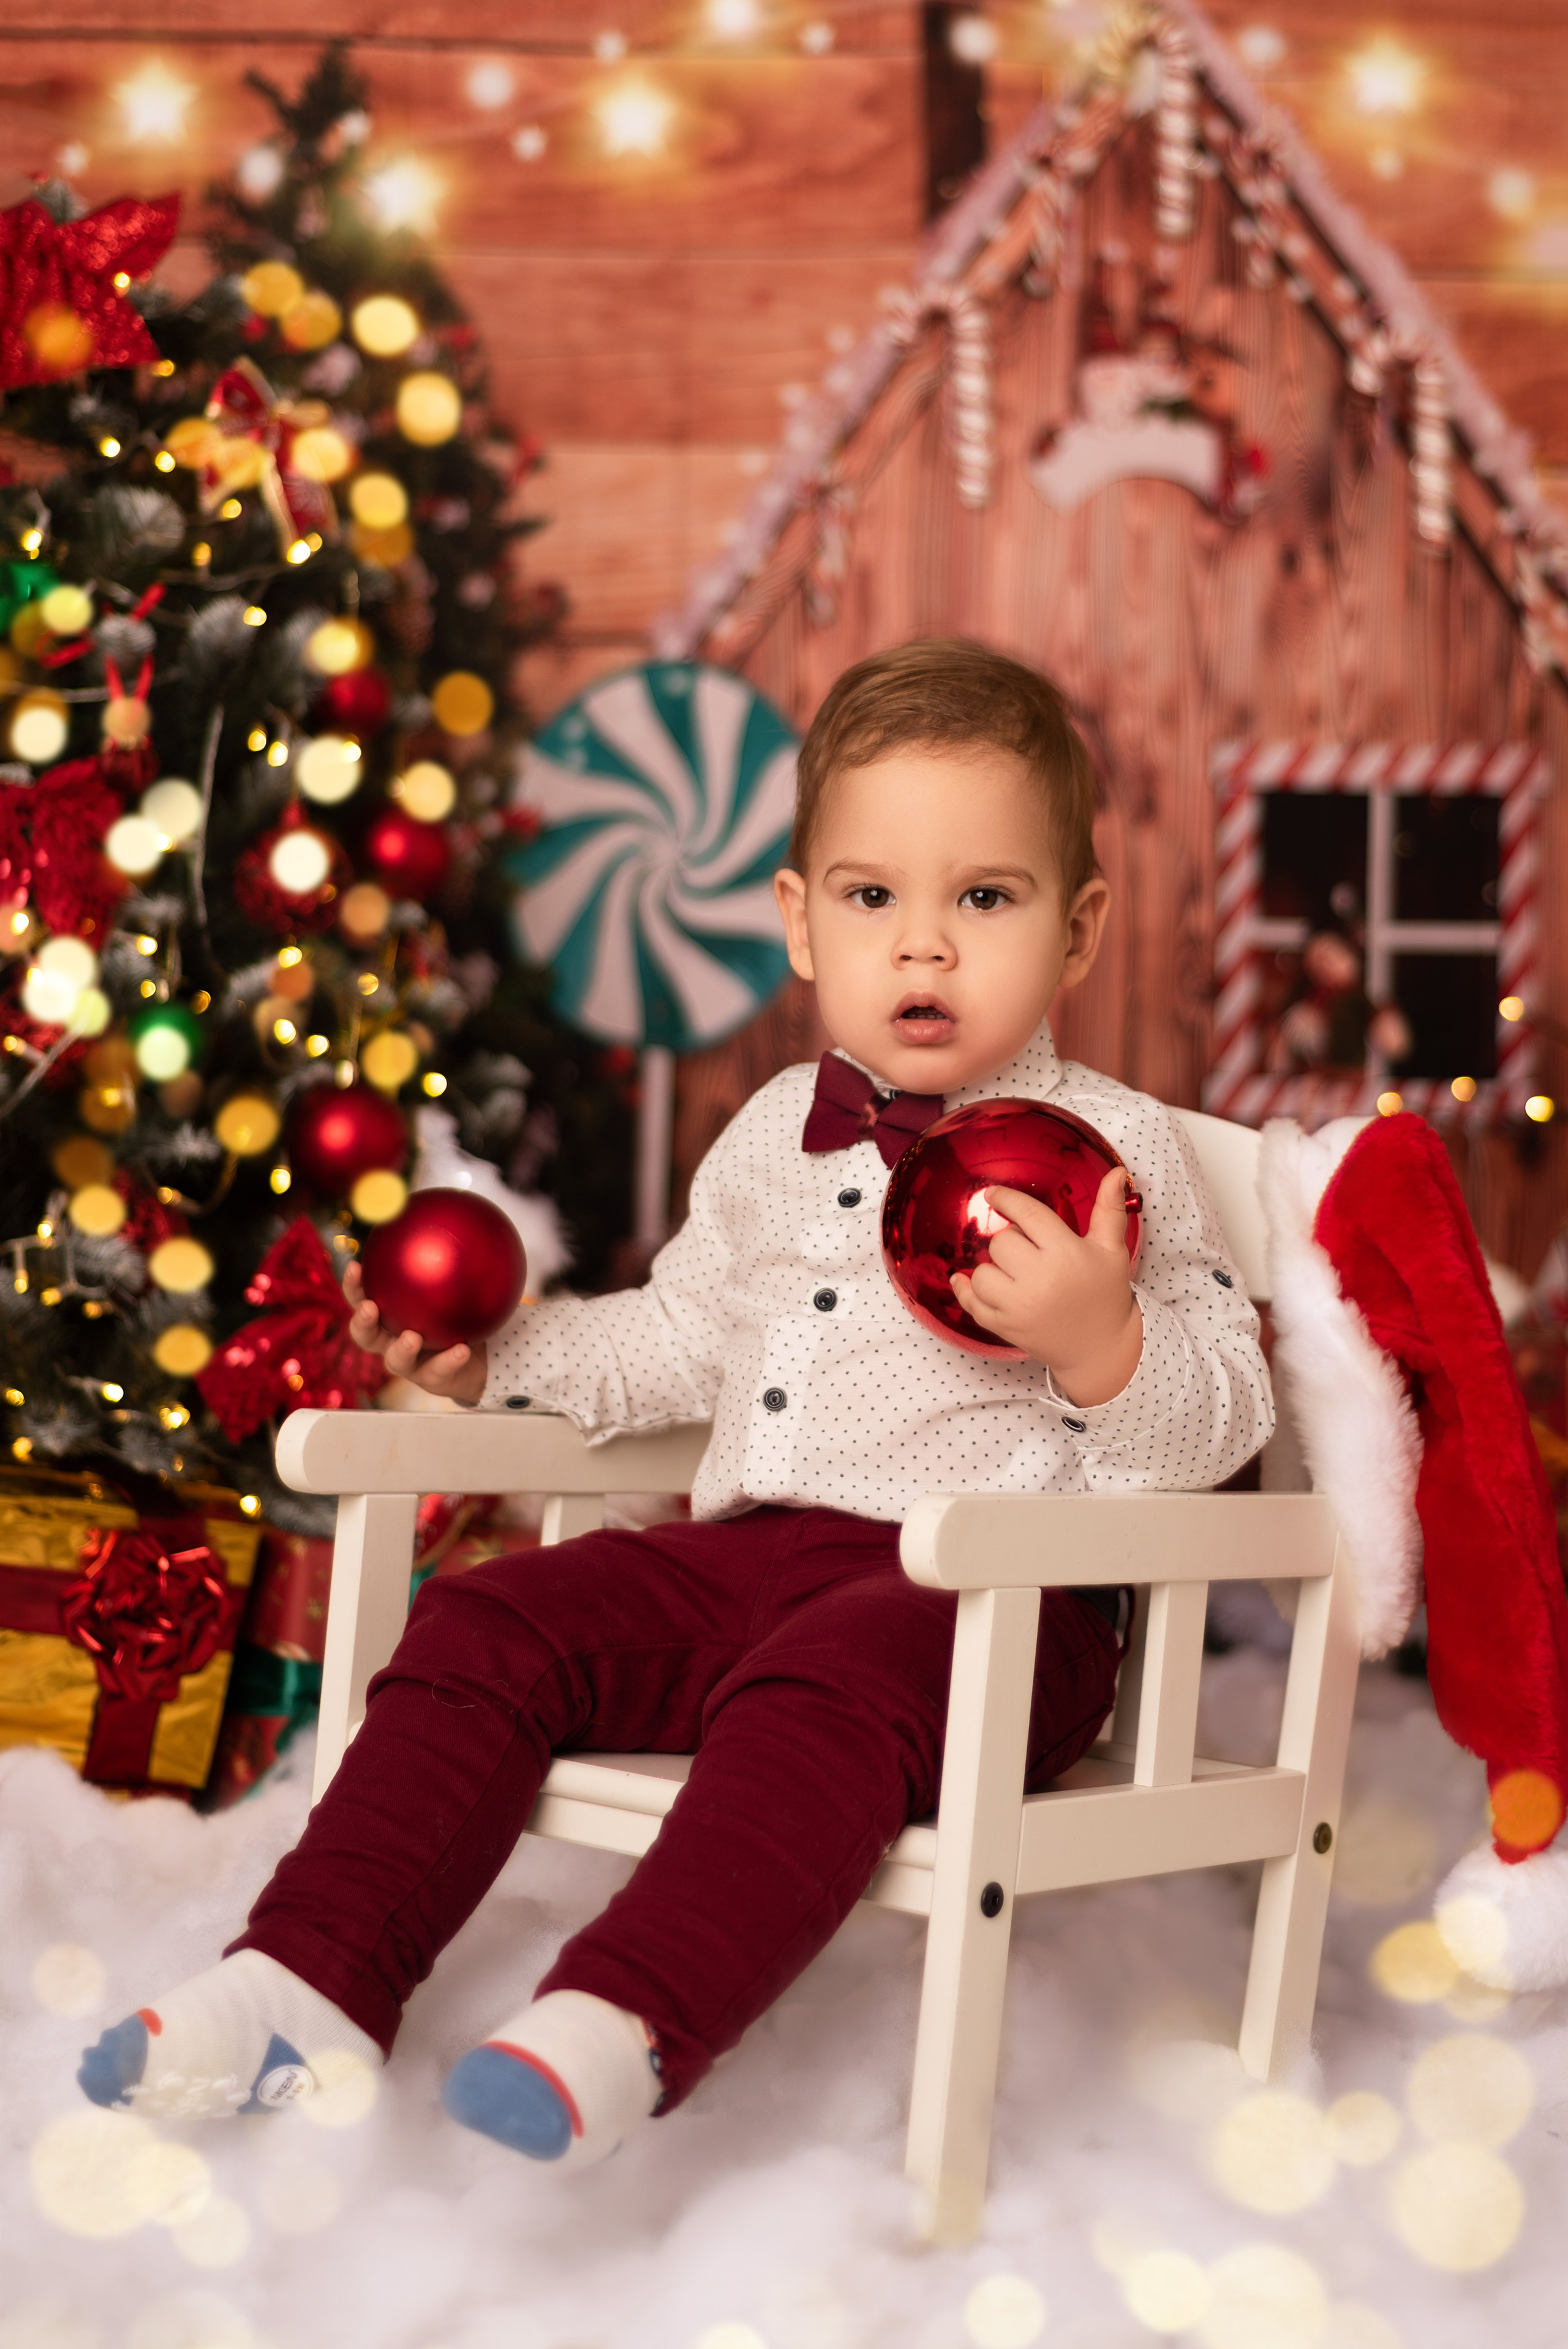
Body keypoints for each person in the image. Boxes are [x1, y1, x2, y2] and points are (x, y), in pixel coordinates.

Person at [78, 639, 1272, 2164]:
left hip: (983, 1601)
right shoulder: (778, 1132)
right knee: (488, 1623)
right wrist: (501, 1356)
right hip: (749, 1552)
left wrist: (1099, 1336)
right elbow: (673, 1341)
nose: (922, 951)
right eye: (870, 898)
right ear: (795, 921)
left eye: (983, 899)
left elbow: (1222, 1414)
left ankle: (622, 2016)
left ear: (1077, 927)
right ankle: (306, 1976)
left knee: (826, 1690)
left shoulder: (1110, 1152)